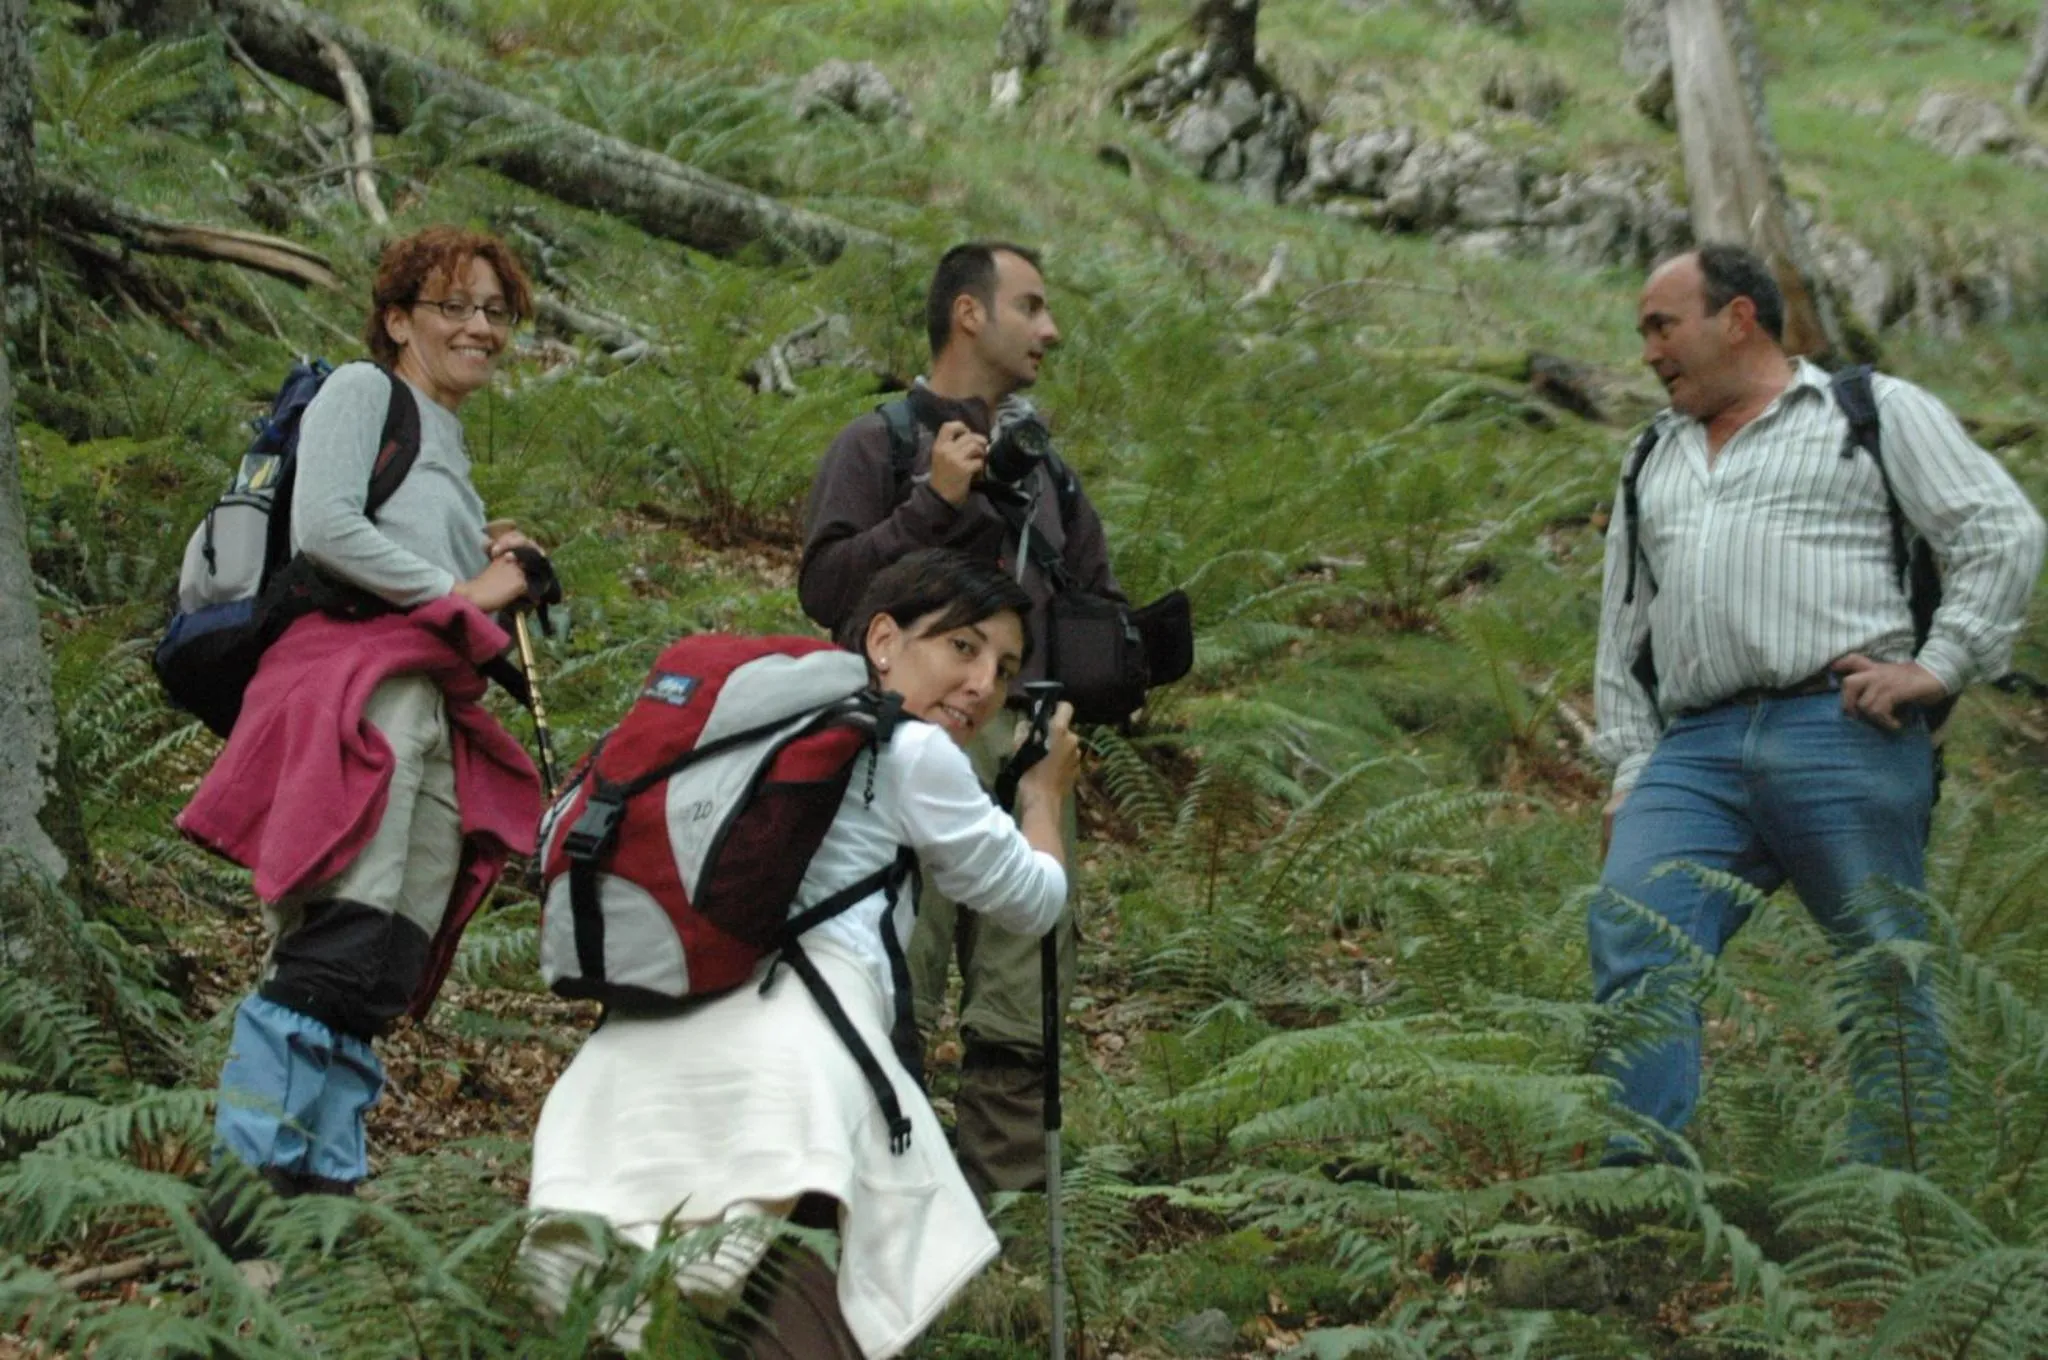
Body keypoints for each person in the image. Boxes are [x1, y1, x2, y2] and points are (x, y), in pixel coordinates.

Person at [522, 549, 1083, 1358]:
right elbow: (1032, 897)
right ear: (883, 640)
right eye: (963, 647)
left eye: (1004, 668)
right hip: (798, 1074)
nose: (983, 685)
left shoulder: (772, 728)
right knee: (811, 1318)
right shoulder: (911, 751)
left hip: (640, 1050)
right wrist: (1043, 797)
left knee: (654, 1327)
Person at [1588, 243, 2045, 1164]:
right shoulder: (1651, 455)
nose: (1648, 352)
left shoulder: (1868, 412)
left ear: (1738, 319)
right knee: (1634, 929)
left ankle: (1890, 1213)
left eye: (1662, 326)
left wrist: (1942, 663)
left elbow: (1999, 529)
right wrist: (1632, 771)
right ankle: (1637, 1197)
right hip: (1695, 750)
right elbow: (1625, 627)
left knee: (1884, 966)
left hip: (1842, 728)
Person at [182, 226, 546, 1216]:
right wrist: (470, 589)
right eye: (452, 306)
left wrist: (492, 562)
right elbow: (328, 531)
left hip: (422, 704)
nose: (478, 326)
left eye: (494, 310)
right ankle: (245, 1211)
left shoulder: (444, 435)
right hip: (351, 694)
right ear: (395, 320)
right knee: (335, 944)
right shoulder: (360, 389)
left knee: (381, 961)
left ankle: (316, 1212)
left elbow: (425, 574)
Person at [799, 240, 1122, 1198]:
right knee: (896, 974)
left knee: (1021, 1010)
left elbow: (1094, 598)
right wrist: (931, 505)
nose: (1051, 329)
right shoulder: (880, 445)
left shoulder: (1047, 473)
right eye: (1032, 305)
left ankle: (1003, 1226)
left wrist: (1120, 668)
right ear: (970, 315)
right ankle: (870, 1203)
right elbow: (829, 593)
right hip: (905, 749)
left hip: (1028, 754)